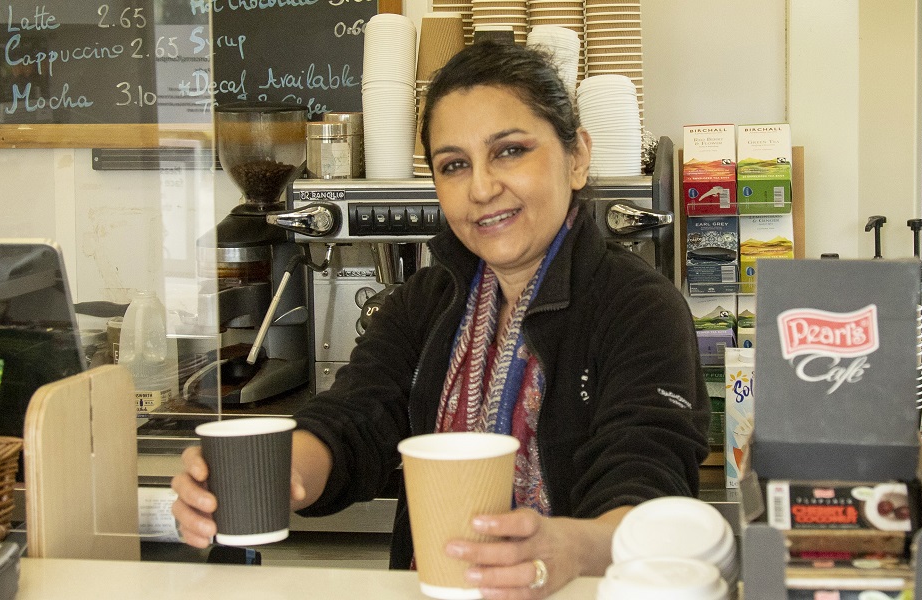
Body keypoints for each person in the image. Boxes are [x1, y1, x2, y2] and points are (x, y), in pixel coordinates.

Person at [173, 40, 709, 598]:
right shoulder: (428, 300)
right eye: (454, 165)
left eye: (510, 152)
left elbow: (649, 483)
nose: (481, 188)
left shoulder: (639, 308)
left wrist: (568, 547)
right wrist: (282, 472)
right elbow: (356, 416)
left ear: (576, 157)